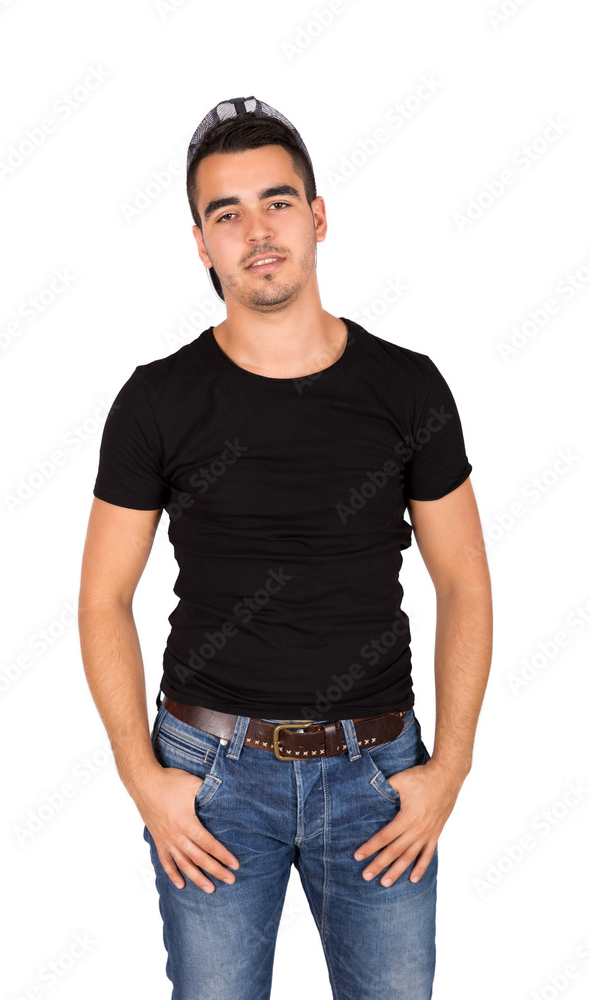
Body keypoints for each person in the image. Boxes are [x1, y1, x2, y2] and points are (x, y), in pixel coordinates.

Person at [78, 95, 492, 999]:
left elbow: (463, 582)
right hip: (209, 779)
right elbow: (102, 597)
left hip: (380, 777)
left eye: (276, 202)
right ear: (201, 244)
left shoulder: (407, 387)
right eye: (226, 214)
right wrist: (142, 777)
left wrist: (449, 767)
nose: (256, 230)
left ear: (317, 216)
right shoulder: (156, 401)